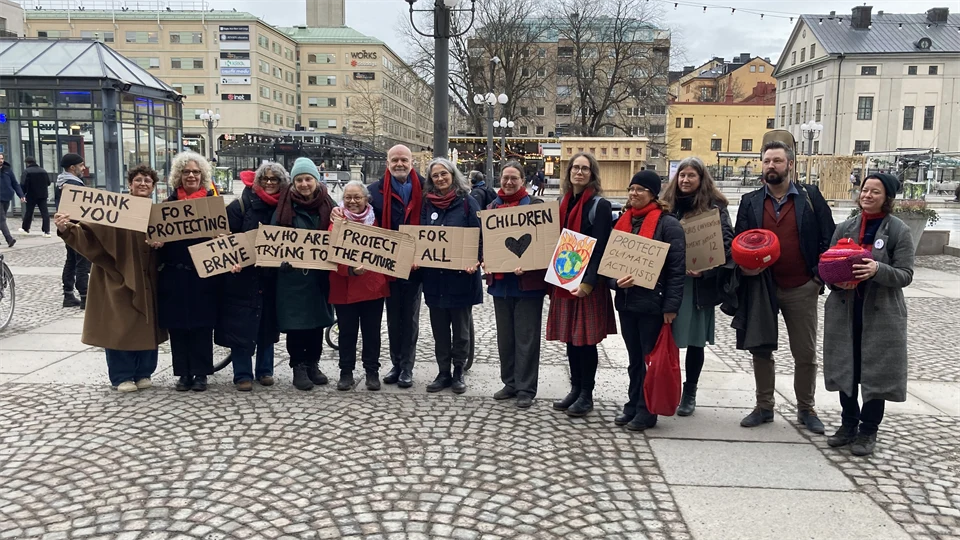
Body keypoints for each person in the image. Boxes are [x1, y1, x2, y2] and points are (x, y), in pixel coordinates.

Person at [734, 139, 836, 433]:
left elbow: (827, 238)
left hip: (801, 286)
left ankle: (806, 408)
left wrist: (817, 278)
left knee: (804, 352)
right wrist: (745, 268)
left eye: (777, 161)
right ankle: (764, 406)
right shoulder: (751, 201)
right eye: (767, 161)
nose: (771, 166)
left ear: (790, 164)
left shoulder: (810, 197)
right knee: (761, 348)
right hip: (762, 287)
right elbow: (739, 240)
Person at [823, 173, 914, 456]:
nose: (868, 195)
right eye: (865, 190)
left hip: (881, 314)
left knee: (876, 372)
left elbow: (906, 274)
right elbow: (828, 265)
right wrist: (835, 281)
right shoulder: (845, 227)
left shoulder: (899, 230)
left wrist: (877, 269)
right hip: (846, 310)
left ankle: (868, 430)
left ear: (887, 198)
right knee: (846, 367)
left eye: (875, 191)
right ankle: (848, 424)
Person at [53, 165, 167, 392]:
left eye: (148, 181)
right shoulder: (114, 209)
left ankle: (143, 372)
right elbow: (89, 235)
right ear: (130, 184)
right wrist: (66, 228)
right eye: (138, 180)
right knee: (119, 325)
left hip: (148, 277)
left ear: (154, 187)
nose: (143, 184)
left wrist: (161, 244)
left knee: (146, 324)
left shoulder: (157, 213)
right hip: (116, 275)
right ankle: (121, 375)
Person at [608, 171, 685, 430]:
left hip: (654, 304)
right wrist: (615, 283)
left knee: (649, 359)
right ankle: (633, 403)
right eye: (631, 188)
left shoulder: (668, 224)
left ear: (653, 194)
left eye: (640, 189)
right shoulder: (623, 221)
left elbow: (676, 270)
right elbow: (609, 265)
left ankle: (647, 410)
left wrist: (671, 307)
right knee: (634, 360)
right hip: (627, 302)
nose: (634, 193)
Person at [661, 157, 734, 416]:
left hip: (697, 287)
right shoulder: (666, 205)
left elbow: (726, 244)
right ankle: (663, 387)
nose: (685, 180)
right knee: (664, 339)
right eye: (682, 175)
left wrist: (707, 269)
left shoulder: (715, 208)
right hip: (669, 283)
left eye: (691, 175)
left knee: (694, 342)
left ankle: (689, 392)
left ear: (701, 179)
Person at [548, 152, 617, 418]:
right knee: (570, 338)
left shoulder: (600, 205)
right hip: (565, 279)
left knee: (586, 342)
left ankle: (586, 394)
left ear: (592, 174)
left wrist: (588, 284)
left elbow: (601, 247)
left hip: (588, 284)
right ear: (568, 173)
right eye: (575, 168)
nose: (579, 172)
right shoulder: (562, 202)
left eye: (584, 169)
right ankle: (575, 389)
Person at [357, 145, 424, 388]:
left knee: (410, 318)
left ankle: (407, 366)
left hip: (415, 265)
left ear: (411, 162)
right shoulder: (374, 192)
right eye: (395, 160)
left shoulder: (425, 188)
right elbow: (357, 214)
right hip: (387, 265)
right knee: (393, 318)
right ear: (387, 163)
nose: (399, 164)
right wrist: (337, 212)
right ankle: (396, 363)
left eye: (404, 160)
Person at [218, 162, 287, 391]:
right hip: (243, 277)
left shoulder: (285, 207)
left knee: (267, 325)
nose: (269, 182)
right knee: (241, 326)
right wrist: (231, 261)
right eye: (265, 178)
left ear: (282, 183)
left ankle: (265, 370)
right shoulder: (239, 206)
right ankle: (242, 374)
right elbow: (225, 239)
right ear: (258, 181)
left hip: (270, 277)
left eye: (274, 179)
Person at [156, 151, 221, 392]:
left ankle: (201, 373)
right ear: (179, 176)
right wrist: (158, 243)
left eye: (195, 172)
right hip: (175, 275)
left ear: (202, 176)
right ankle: (183, 373)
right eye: (186, 172)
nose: (191, 176)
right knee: (178, 327)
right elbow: (157, 245)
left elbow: (224, 239)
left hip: (203, 276)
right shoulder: (167, 206)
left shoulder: (212, 205)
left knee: (202, 326)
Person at [484, 161, 547, 408]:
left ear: (523, 181)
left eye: (514, 178)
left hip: (528, 284)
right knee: (506, 338)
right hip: (501, 284)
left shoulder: (535, 207)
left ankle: (526, 388)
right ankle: (509, 382)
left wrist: (530, 263)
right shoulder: (491, 208)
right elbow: (485, 242)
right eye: (505, 178)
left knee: (526, 337)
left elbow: (545, 244)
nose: (509, 182)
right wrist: (484, 259)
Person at [419, 158, 482, 394]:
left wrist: (475, 260)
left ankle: (458, 371)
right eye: (435, 175)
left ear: (453, 175)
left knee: (461, 330)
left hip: (461, 279)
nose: (440, 178)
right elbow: (421, 235)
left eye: (444, 174)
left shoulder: (467, 202)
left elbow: (479, 236)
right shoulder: (427, 204)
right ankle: (443, 372)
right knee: (440, 330)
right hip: (435, 279)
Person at [274, 158, 336, 391]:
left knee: (317, 323)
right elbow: (273, 239)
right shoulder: (284, 206)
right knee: (297, 325)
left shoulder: (329, 204)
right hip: (292, 279)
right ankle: (298, 366)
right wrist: (279, 261)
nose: (304, 184)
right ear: (293, 182)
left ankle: (313, 364)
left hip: (319, 277)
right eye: (299, 180)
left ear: (316, 180)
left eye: (308, 179)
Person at [329, 180, 390, 392]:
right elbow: (332, 252)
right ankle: (346, 372)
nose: (352, 201)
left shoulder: (377, 220)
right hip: (344, 285)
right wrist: (350, 270)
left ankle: (372, 371)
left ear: (366, 199)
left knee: (372, 332)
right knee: (347, 332)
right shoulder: (336, 221)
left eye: (357, 197)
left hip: (373, 286)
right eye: (348, 197)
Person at [54, 153, 90, 307]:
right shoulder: (73, 185)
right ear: (72, 167)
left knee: (71, 260)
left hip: (68, 227)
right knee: (82, 261)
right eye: (81, 165)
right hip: (77, 227)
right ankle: (85, 296)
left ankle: (68, 294)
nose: (84, 168)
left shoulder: (62, 182)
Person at [19, 157, 52, 238]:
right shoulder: (43, 171)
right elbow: (48, 182)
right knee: (45, 213)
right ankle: (46, 231)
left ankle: (25, 228)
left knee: (29, 212)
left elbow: (23, 184)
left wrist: (22, 194)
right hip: (43, 195)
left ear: (27, 163)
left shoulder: (27, 171)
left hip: (31, 194)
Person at [0, 153, 25, 249]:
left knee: (1, 219)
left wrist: (21, 195)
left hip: (6, 197)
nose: (1, 160)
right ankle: (9, 239)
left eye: (2, 158)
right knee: (2, 219)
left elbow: (15, 183)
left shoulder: (8, 170)